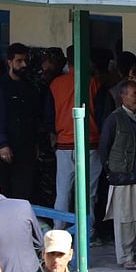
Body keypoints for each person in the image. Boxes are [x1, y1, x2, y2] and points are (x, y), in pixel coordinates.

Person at [49, 45, 104, 241]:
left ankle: (58, 232)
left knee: (62, 192)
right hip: (89, 143)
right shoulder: (93, 82)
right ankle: (86, 234)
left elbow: (49, 113)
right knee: (88, 193)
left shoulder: (56, 83)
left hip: (63, 144)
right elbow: (100, 111)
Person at [99, 80, 136, 270]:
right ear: (123, 97)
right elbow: (104, 147)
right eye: (134, 94)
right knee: (124, 220)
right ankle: (125, 256)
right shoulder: (114, 119)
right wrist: (111, 170)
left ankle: (133, 249)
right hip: (121, 177)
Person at [0, 43, 46, 200]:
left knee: (24, 190)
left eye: (25, 61)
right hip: (5, 149)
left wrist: (36, 144)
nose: (24, 65)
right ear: (9, 62)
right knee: (2, 189)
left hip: (25, 146)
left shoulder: (29, 88)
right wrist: (3, 144)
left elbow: (34, 117)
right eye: (19, 61)